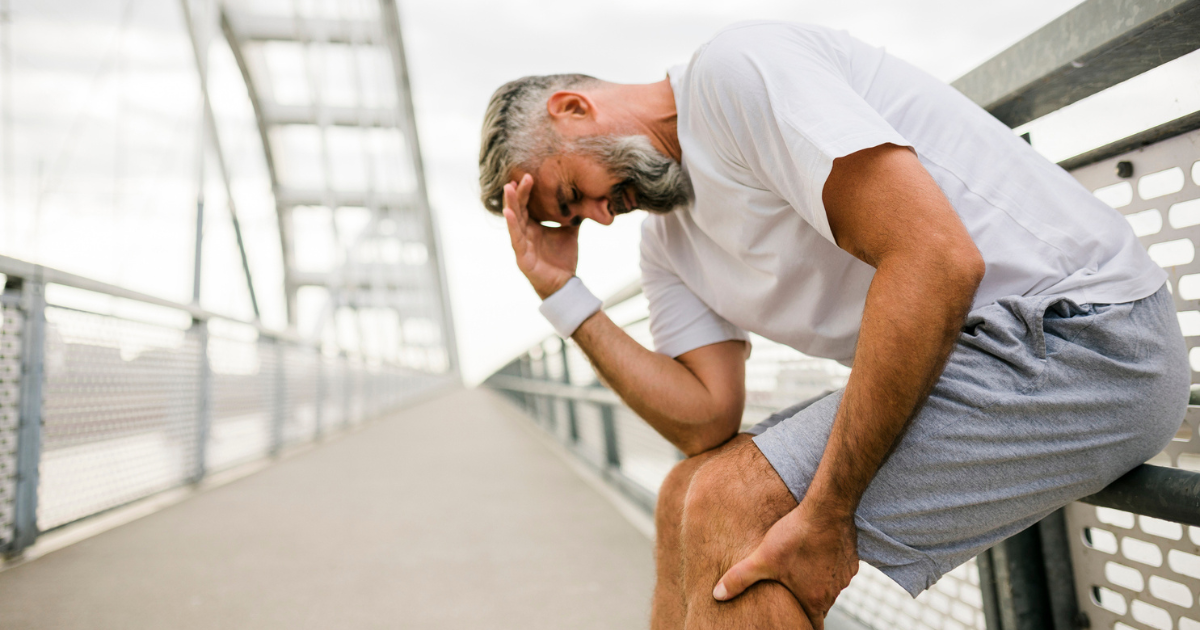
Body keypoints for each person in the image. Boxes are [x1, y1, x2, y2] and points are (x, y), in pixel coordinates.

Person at [477, 21, 1189, 630]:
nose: (599, 217)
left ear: (573, 109)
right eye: (576, 220)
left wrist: (827, 515)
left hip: (1089, 335)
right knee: (685, 491)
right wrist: (565, 294)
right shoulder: (668, 243)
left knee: (736, 505)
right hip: (977, 358)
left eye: (576, 195)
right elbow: (703, 420)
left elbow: (935, 260)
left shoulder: (737, 74)